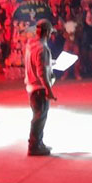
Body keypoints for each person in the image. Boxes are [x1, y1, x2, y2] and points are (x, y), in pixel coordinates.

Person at [25, 19, 56, 156]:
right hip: (39, 88)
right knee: (39, 117)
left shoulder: (30, 45)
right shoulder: (42, 48)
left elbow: (37, 63)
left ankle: (38, 142)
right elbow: (41, 72)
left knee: (38, 116)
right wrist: (49, 90)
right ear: (47, 32)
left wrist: (51, 63)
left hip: (31, 86)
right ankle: (34, 146)